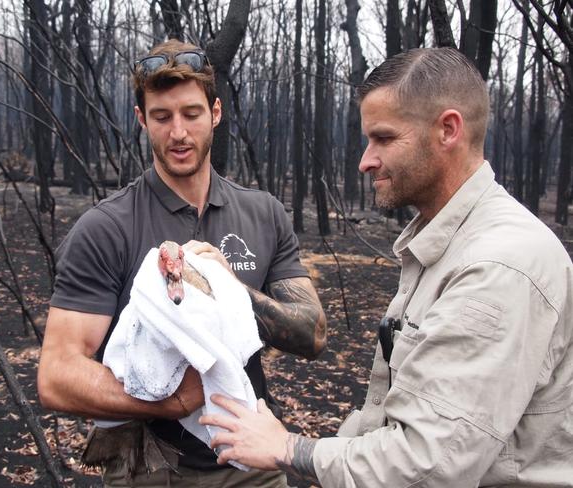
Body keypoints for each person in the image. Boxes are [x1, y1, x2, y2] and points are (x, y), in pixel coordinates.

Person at [200, 47, 573, 487]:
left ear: (448, 130)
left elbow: (429, 465)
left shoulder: (498, 265)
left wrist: (289, 449)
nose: (365, 160)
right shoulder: (445, 243)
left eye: (384, 138)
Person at [37, 38, 327, 487]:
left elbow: (313, 334)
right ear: (141, 120)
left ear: (215, 112)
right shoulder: (107, 227)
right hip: (150, 469)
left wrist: (231, 292)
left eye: (191, 113)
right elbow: (57, 376)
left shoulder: (263, 213)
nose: (178, 133)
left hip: (251, 462)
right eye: (161, 116)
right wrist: (171, 402)